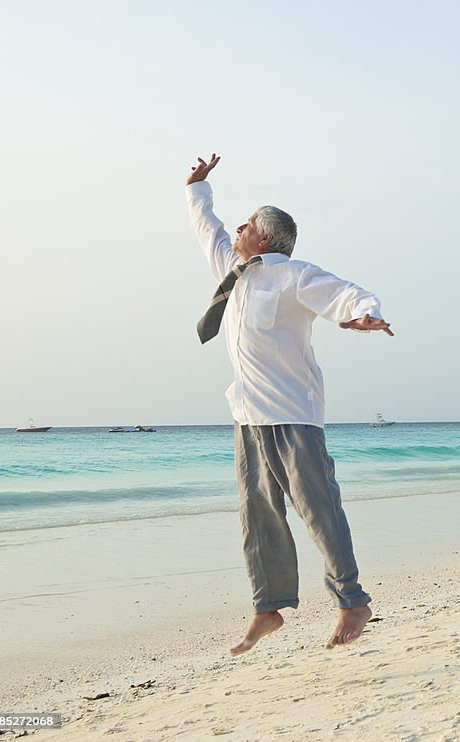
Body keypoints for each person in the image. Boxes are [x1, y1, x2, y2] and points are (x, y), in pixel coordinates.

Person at [185, 154, 393, 656]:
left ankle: (352, 601)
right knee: (258, 516)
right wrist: (197, 189)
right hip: (248, 417)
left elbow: (346, 292)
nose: (238, 228)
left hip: (294, 415)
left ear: (267, 238)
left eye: (248, 223)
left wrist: (366, 314)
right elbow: (208, 231)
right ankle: (267, 608)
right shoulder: (233, 271)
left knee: (318, 510)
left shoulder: (294, 275)